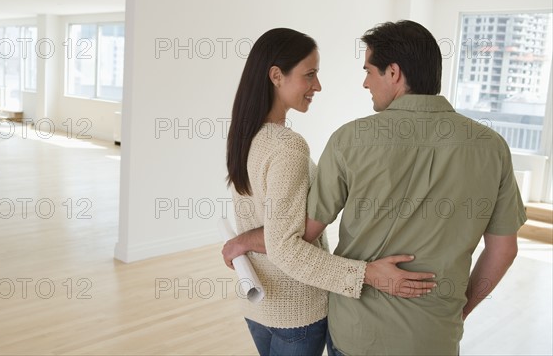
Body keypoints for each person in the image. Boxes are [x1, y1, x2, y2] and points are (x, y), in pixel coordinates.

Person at [301, 20, 527, 355]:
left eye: (369, 71)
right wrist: (458, 312)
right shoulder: (491, 147)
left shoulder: (349, 140)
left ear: (393, 73)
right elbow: (504, 250)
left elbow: (304, 234)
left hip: (358, 334)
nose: (365, 83)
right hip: (435, 337)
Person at [223, 27, 436, 356]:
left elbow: (274, 228)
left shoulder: (244, 136)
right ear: (276, 76)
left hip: (258, 301)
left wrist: (242, 241)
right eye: (309, 75)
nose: (317, 86)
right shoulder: (288, 147)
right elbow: (287, 245)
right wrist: (367, 274)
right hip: (297, 307)